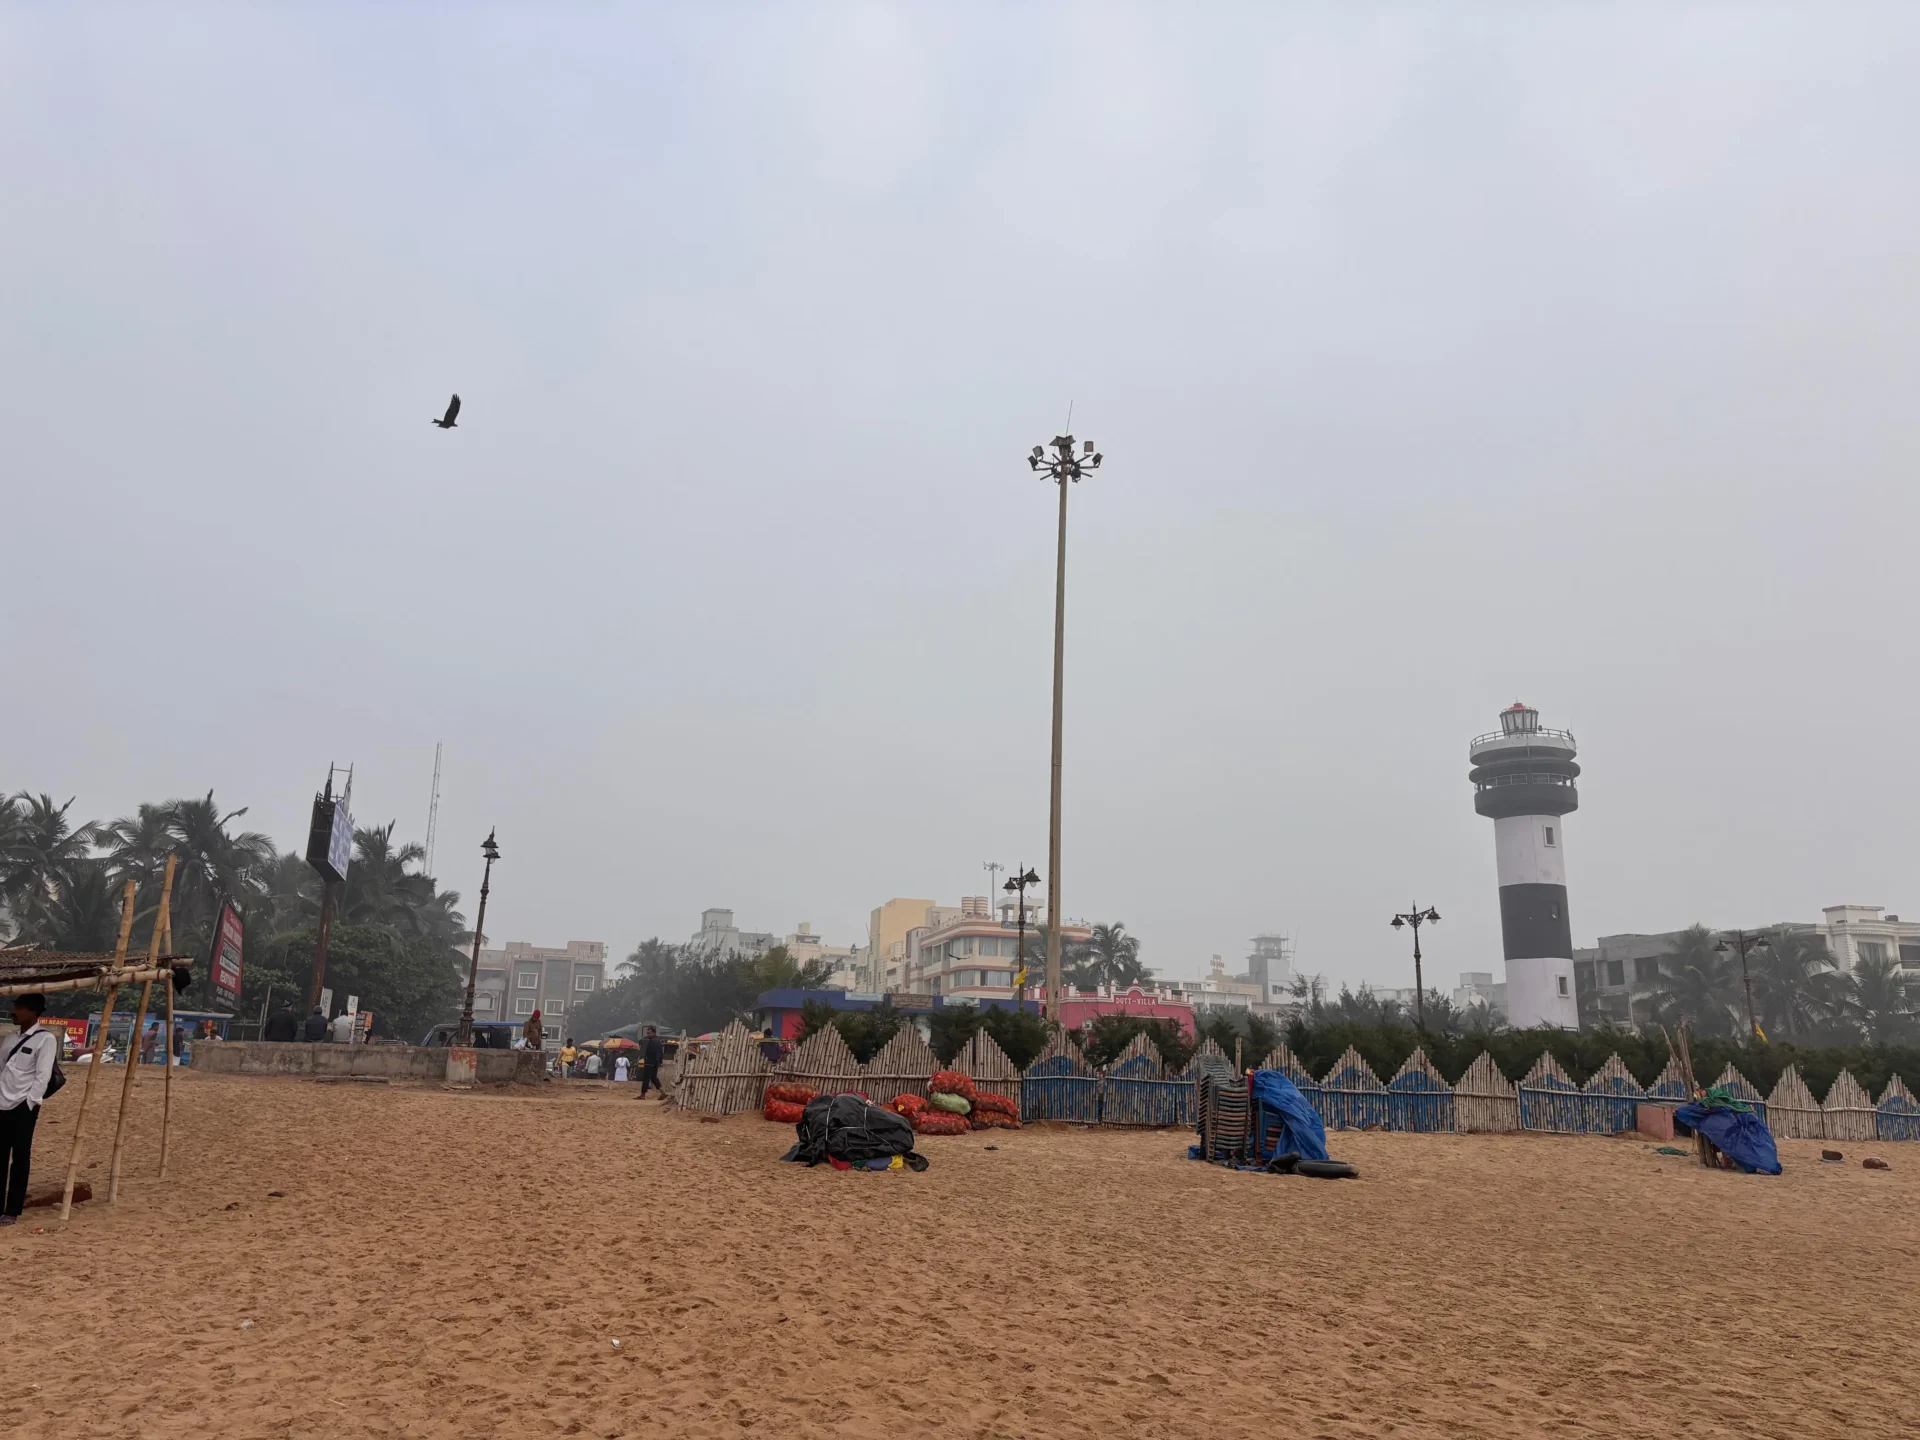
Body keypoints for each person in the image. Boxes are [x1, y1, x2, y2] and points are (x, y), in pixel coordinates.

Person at [1, 994, 58, 1226]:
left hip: (24, 1105)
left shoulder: (46, 1040)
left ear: (33, 1012)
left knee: (21, 1157)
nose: (14, 1012)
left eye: (19, 1008)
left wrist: (31, 1102)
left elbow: (42, 1075)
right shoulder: (9, 1038)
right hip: (2, 1103)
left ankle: (12, 1210)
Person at [639, 1025, 665, 1098]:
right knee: (653, 1078)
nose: (648, 1035)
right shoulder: (657, 1040)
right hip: (654, 1062)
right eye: (647, 1033)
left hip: (650, 1062)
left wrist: (654, 1061)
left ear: (653, 1033)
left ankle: (642, 1095)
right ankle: (662, 1091)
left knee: (646, 1078)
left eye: (649, 1033)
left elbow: (655, 1053)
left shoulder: (654, 1041)